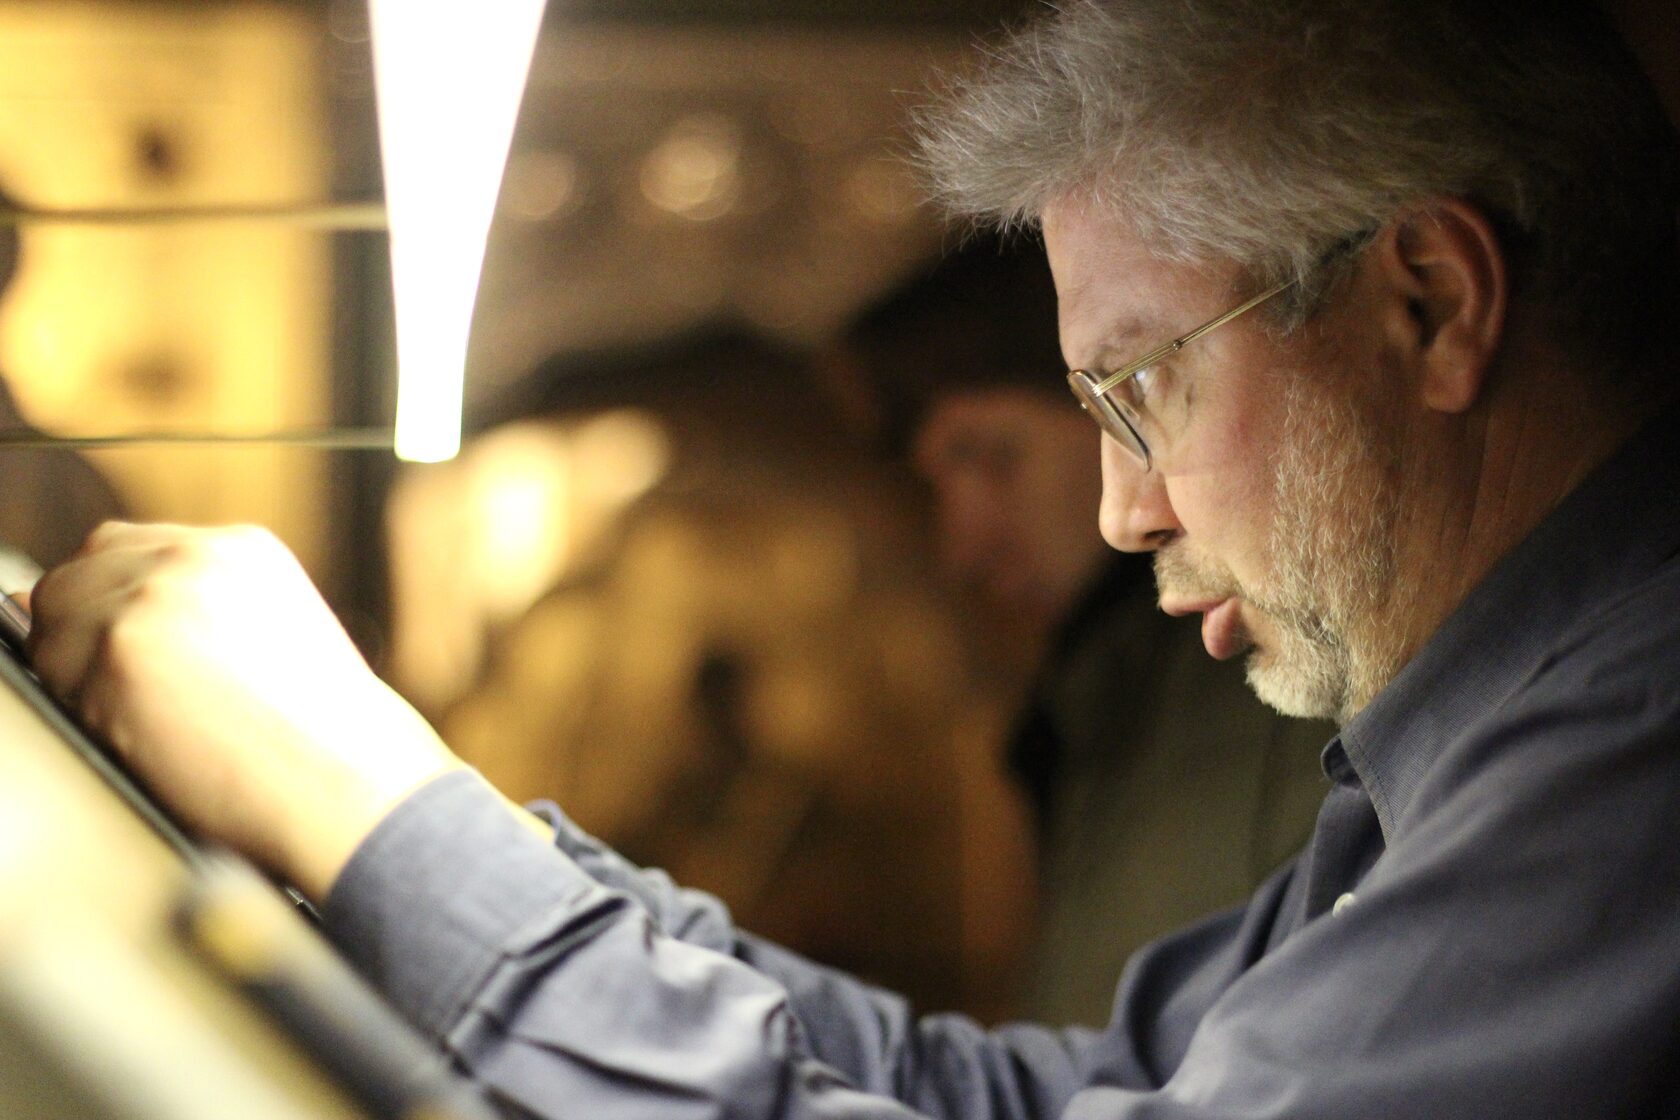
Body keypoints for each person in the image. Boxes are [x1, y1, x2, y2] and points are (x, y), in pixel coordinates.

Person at [19, 0, 1680, 1115]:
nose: (1126, 512)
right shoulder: (1459, 761)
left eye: (1142, 387)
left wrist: (380, 820)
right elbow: (1013, 1101)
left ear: (1428, 304)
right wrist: (410, 814)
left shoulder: (1633, 761)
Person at [839, 237, 1329, 1025]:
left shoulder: (1274, 678)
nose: (963, 545)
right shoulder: (1103, 705)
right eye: (939, 482)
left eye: (993, 455)